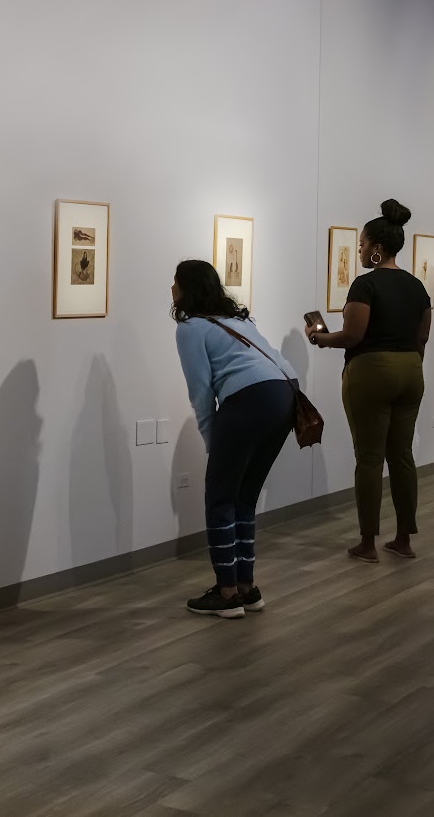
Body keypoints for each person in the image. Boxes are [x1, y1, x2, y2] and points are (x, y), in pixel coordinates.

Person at [307, 200, 431, 564]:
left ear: (377, 249)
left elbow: (353, 335)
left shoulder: (365, 285)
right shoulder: (416, 286)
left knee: (370, 459)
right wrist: (409, 364)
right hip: (412, 370)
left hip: (372, 372)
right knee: (403, 456)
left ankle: (367, 543)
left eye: (361, 244)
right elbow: (422, 336)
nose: (359, 250)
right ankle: (404, 538)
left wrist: (321, 338)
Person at [172, 259, 297, 619]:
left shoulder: (191, 328)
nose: (171, 289)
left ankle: (227, 594)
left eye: (175, 282)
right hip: (287, 395)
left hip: (250, 399)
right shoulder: (239, 320)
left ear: (187, 288)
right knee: (244, 496)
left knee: (220, 497)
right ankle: (247, 588)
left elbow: (200, 392)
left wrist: (213, 440)